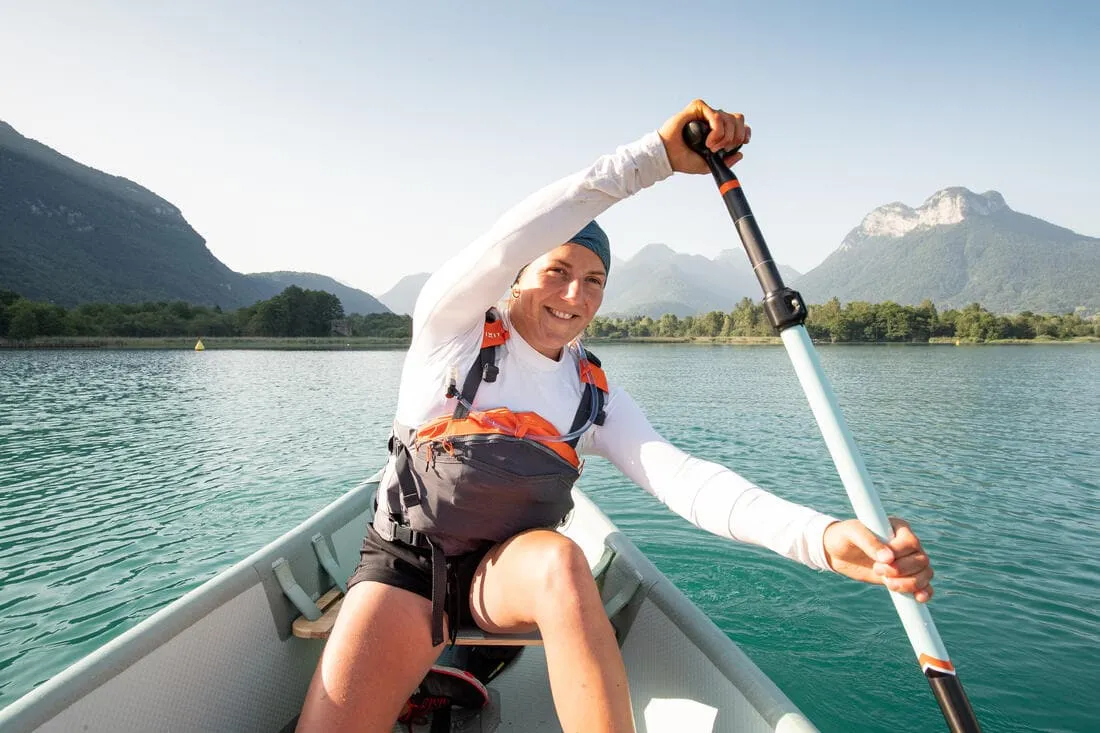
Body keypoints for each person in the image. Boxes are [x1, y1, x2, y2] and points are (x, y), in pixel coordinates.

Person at [295, 99, 935, 733]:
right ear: (516, 277)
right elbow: (510, 234)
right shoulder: (450, 333)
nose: (576, 295)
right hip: (409, 568)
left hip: (508, 577)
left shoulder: (590, 393)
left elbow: (689, 483)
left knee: (562, 562)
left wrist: (824, 539)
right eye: (558, 270)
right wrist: (653, 159)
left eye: (595, 280)